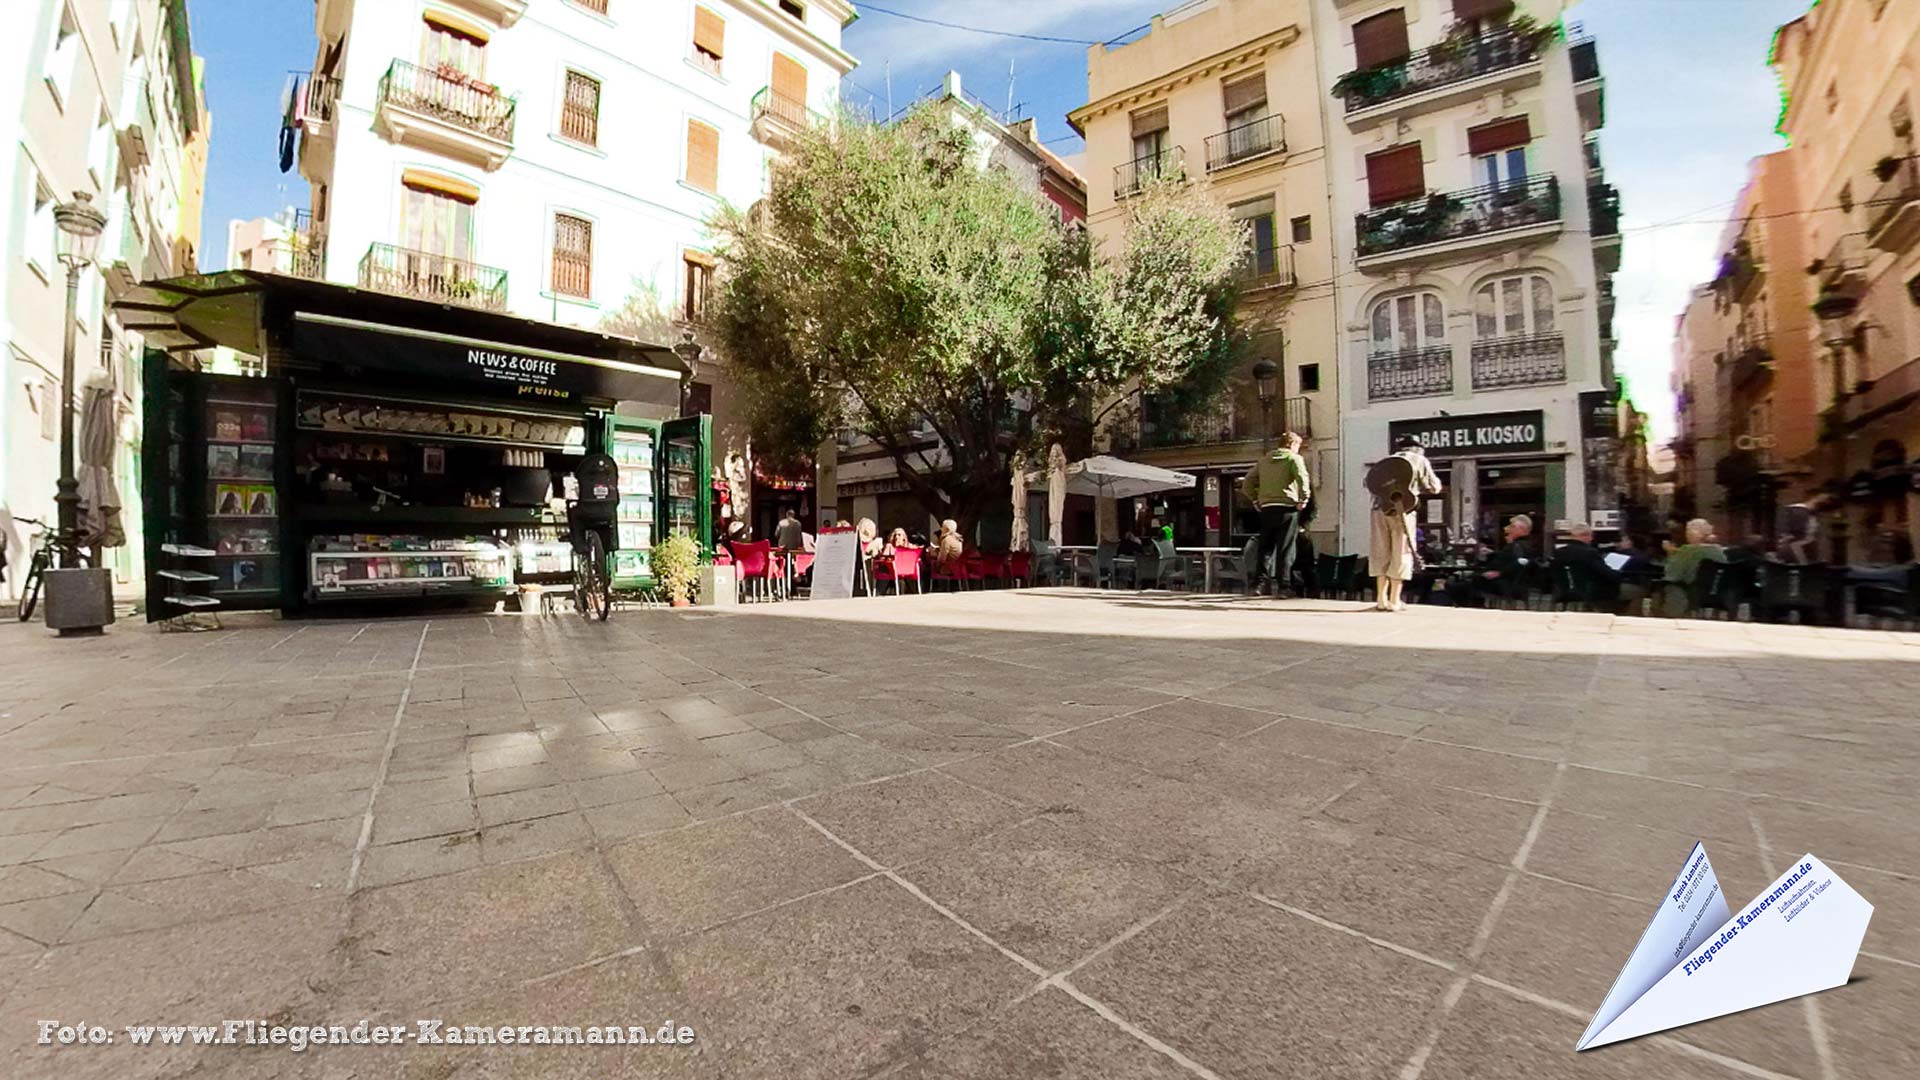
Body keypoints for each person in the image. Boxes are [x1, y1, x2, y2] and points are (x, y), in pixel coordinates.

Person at [1367, 434, 1442, 611]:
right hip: (1403, 509)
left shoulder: (1387, 460)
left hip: (1378, 508)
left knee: (1380, 550)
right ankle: (1394, 600)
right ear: (1418, 448)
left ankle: (1380, 599)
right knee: (1401, 552)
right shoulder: (1419, 459)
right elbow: (1434, 487)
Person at [1239, 430, 1311, 596]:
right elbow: (1302, 478)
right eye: (1298, 446)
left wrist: (1255, 500)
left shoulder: (1264, 461)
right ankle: (1284, 586)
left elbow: (1247, 482)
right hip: (1287, 507)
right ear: (1292, 444)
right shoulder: (1294, 459)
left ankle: (1258, 585)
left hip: (1267, 508)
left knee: (1265, 547)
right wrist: (1303, 499)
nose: (1298, 450)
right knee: (1285, 548)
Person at [1447, 514, 1534, 608]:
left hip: (1505, 584)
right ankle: (1476, 605)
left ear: (1522, 529)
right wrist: (1492, 553)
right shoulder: (1521, 544)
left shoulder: (1519, 546)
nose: (1507, 529)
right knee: (1470, 580)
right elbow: (1508, 559)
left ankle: (1474, 607)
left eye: (1512, 526)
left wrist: (1500, 573)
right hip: (1506, 582)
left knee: (1459, 585)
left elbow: (1519, 563)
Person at [1659, 517, 1728, 616]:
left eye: (1687, 531)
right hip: (1716, 591)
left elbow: (1673, 574)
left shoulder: (1687, 550)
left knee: (1670, 586)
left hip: (1692, 591)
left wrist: (1670, 553)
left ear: (1692, 533)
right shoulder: (1719, 551)